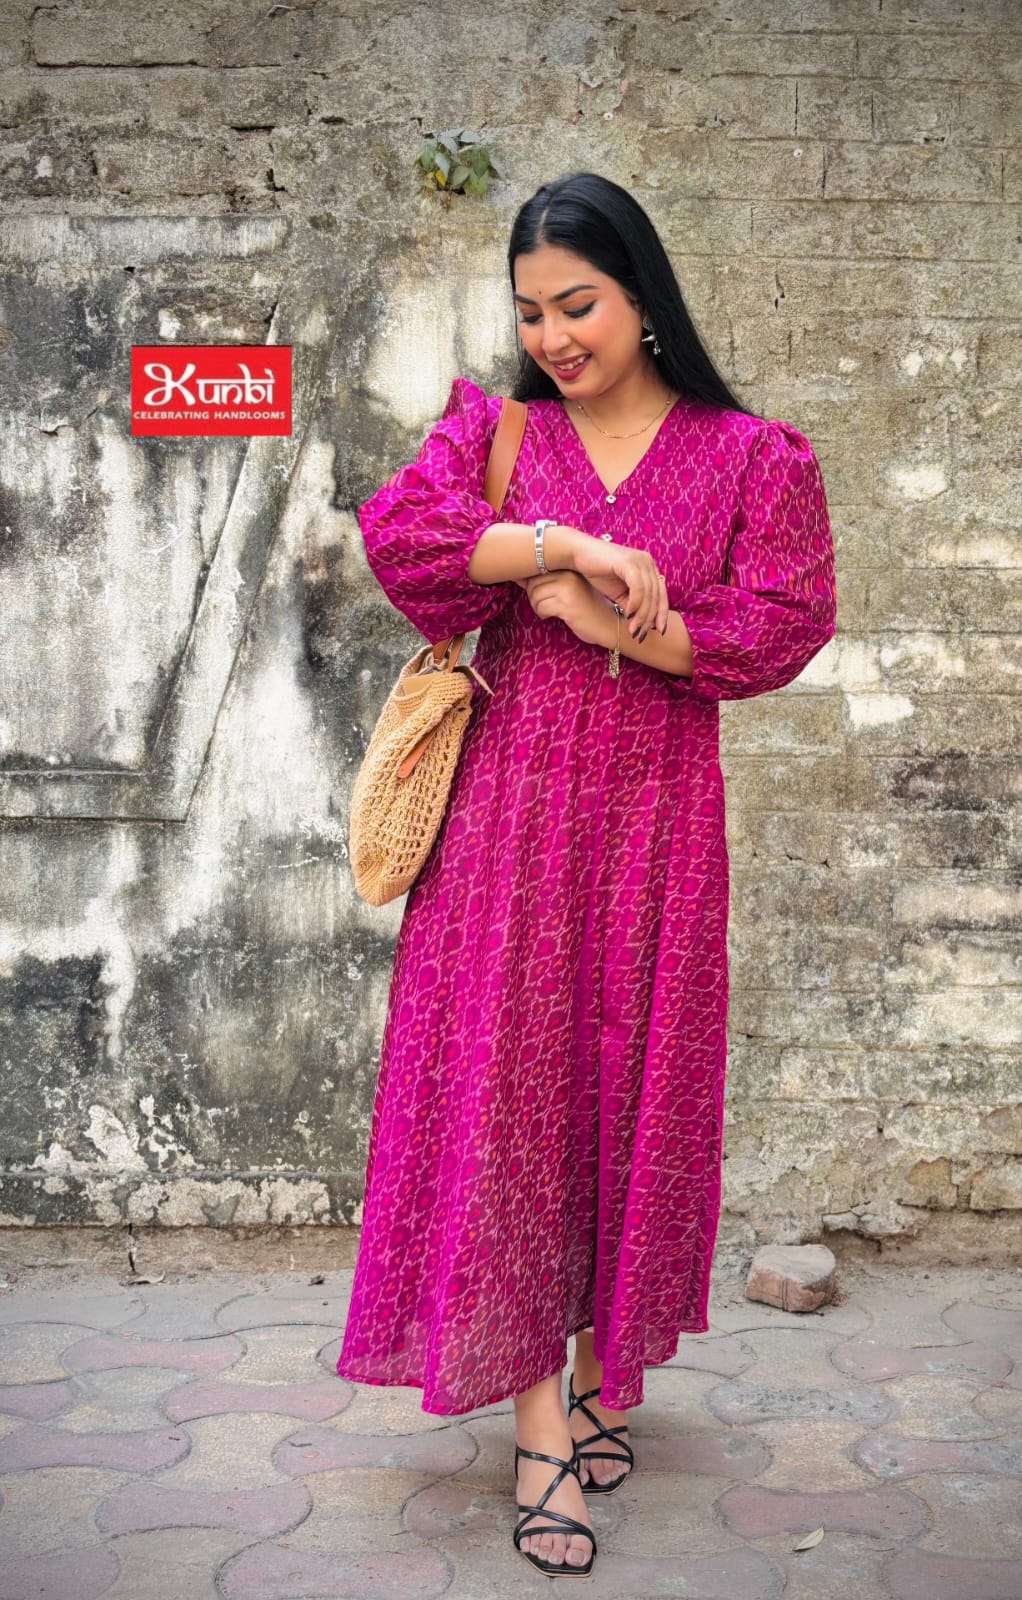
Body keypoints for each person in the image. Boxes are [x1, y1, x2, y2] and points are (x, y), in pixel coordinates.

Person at [336, 170, 837, 1578]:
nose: (552, 336)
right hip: (501, 830)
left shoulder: (754, 459)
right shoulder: (497, 435)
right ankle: (539, 1424)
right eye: (531, 312)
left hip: (655, 828)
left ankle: (604, 1366)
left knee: (628, 1098)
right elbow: (407, 538)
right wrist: (570, 546)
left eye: (579, 305)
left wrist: (603, 622)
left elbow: (777, 627)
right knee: (509, 1105)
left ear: (642, 298)